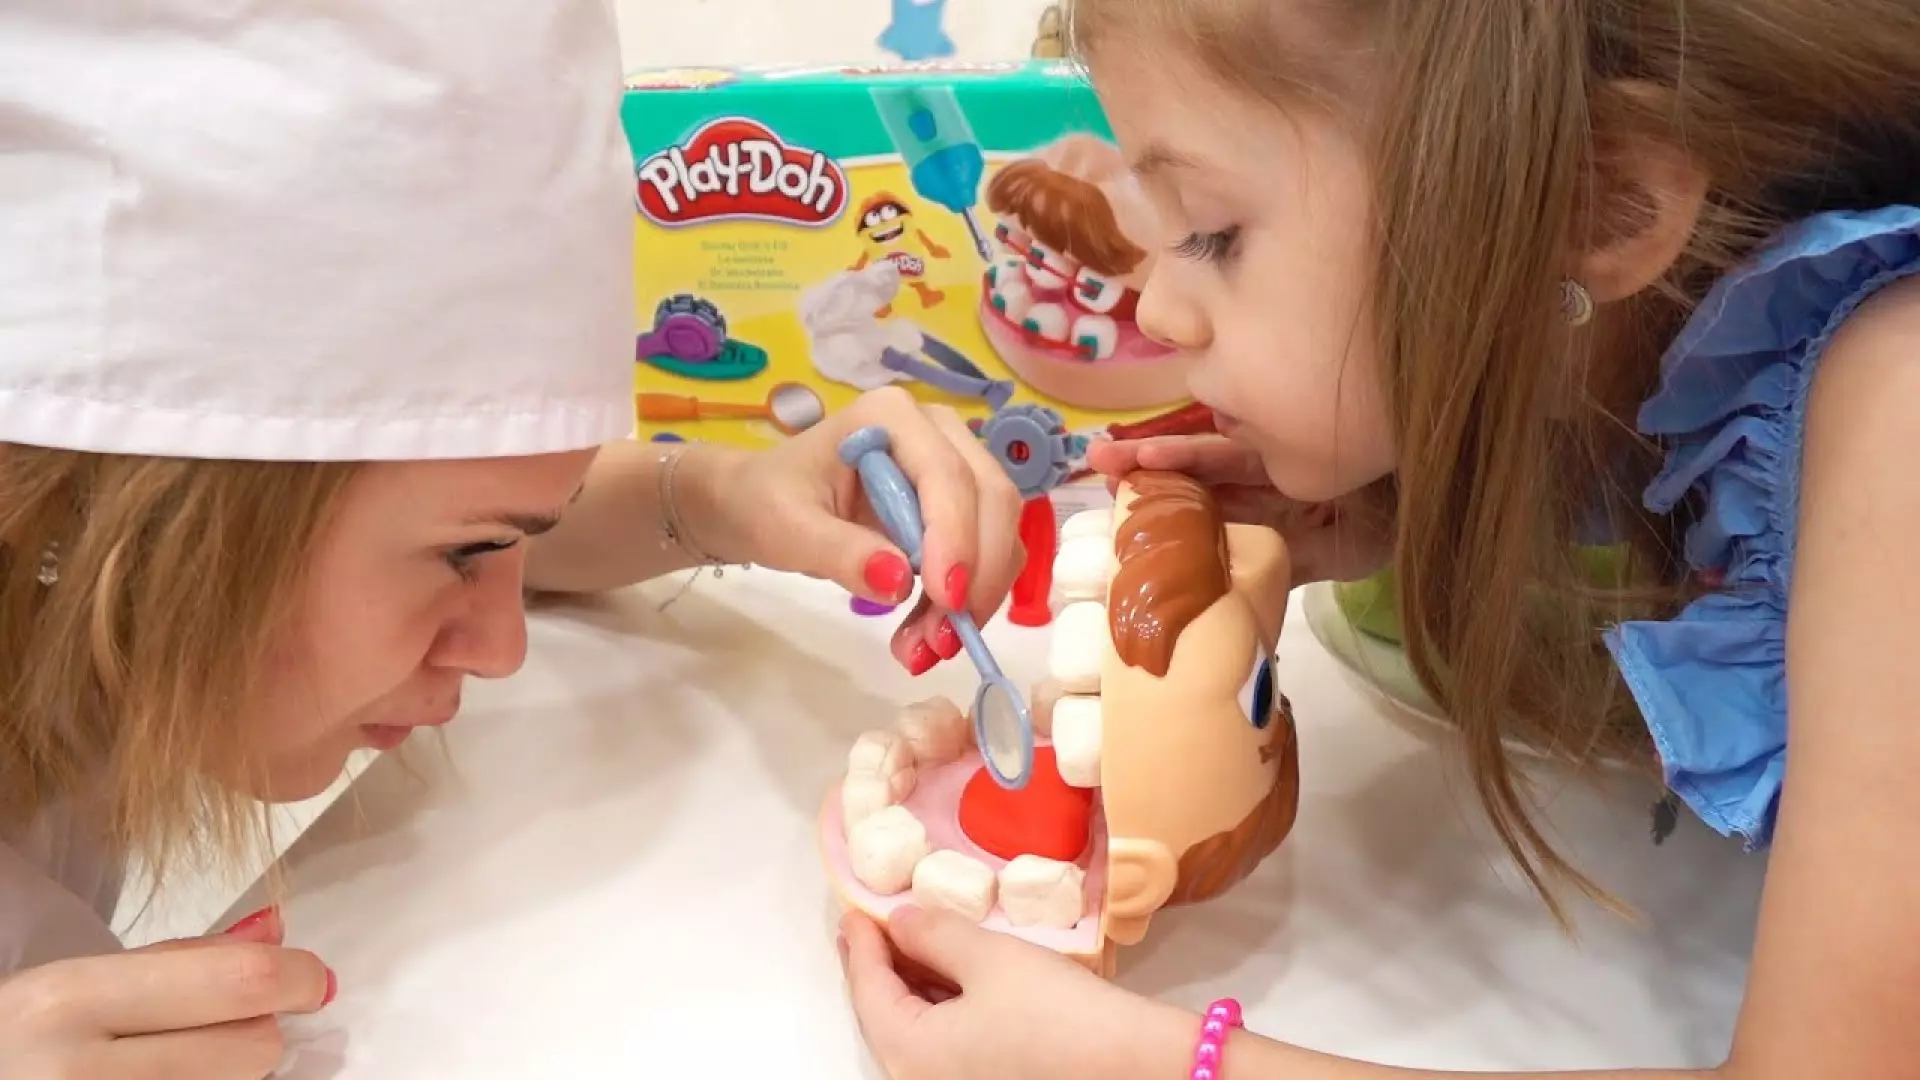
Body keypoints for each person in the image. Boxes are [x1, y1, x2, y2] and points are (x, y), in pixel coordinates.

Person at [839, 1, 1920, 1077]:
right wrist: (1409, 513)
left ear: (1600, 201)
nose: (1159, 310)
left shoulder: (1897, 407)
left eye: (1209, 233)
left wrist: (1133, 1063)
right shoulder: (1703, 384)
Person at [0, 1, 1022, 1076]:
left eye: (523, 533)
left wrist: (724, 495)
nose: (501, 650)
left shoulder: (74, 555)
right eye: (465, 556)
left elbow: (434, 492)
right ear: (144, 512)